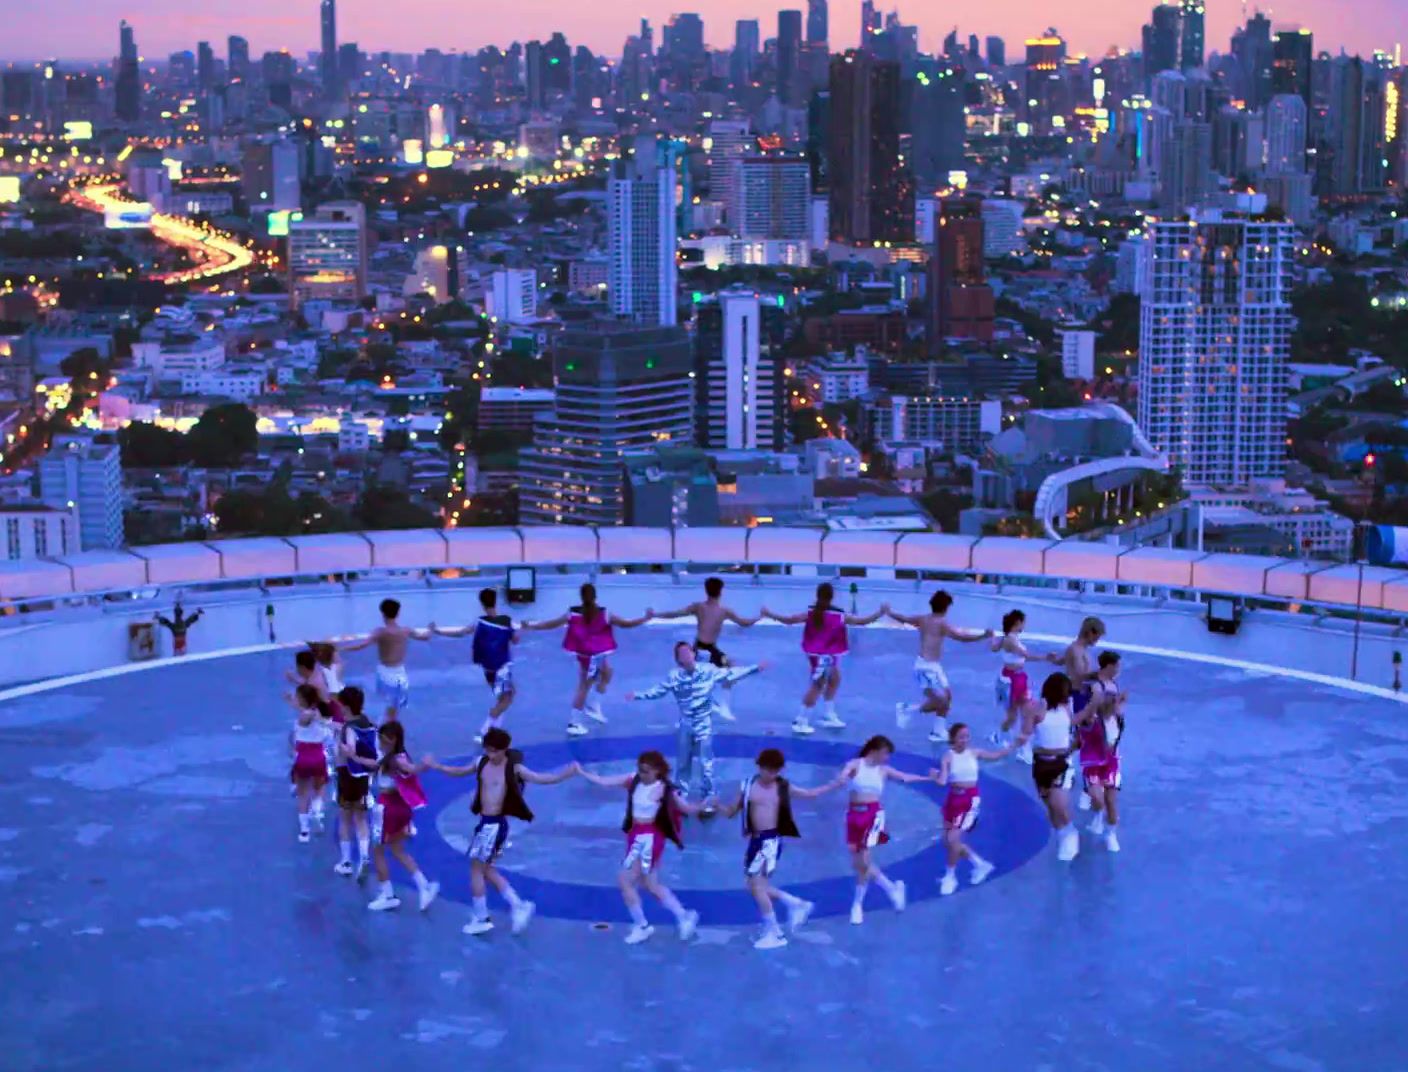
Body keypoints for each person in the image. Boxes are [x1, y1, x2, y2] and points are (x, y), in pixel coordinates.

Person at [425, 728, 577, 936]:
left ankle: (481, 917)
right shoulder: (481, 763)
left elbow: (542, 778)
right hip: (486, 824)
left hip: (494, 826)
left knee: (476, 870)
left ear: (505, 750)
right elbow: (459, 772)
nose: (491, 755)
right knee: (486, 870)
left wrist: (565, 774)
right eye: (488, 750)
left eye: (495, 751)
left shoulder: (514, 769)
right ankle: (517, 904)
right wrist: (438, 766)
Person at [578, 751, 706, 945]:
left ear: (657, 771)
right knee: (650, 885)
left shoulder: (665, 789)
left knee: (625, 880)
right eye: (640, 769)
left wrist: (707, 804)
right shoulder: (633, 780)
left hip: (650, 838)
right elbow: (604, 781)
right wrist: (581, 772)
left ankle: (642, 926)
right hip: (635, 834)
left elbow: (686, 808)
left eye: (646, 771)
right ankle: (684, 915)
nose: (642, 774)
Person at [716, 748, 834, 949]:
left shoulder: (782, 786)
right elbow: (730, 812)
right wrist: (717, 805)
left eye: (774, 771)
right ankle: (796, 904)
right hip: (755, 841)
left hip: (769, 843)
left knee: (757, 886)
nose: (770, 775)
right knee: (754, 886)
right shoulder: (747, 786)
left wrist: (835, 783)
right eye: (767, 770)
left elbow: (810, 794)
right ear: (759, 767)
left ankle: (775, 932)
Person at [626, 641, 767, 806]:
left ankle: (709, 796)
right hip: (685, 725)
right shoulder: (674, 676)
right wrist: (637, 695)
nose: (686, 655)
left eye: (688, 652)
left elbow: (731, 674)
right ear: (678, 659)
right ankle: (680, 795)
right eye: (682, 654)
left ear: (693, 654)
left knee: (705, 762)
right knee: (683, 761)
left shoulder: (708, 671)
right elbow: (657, 691)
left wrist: (755, 668)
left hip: (704, 725)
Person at [827, 735, 937, 924]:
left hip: (873, 816)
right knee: (858, 863)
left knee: (864, 860)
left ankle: (857, 905)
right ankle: (892, 888)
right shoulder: (855, 764)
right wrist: (842, 779)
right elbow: (844, 774)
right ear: (875, 750)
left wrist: (928, 778)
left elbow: (905, 777)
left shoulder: (883, 770)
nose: (887, 758)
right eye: (885, 753)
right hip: (853, 815)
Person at [523, 584, 651, 737]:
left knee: (608, 672)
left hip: (588, 654)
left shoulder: (574, 613)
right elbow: (627, 624)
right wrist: (645, 618)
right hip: (593, 656)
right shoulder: (604, 614)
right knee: (584, 686)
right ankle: (574, 722)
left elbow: (551, 624)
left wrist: (532, 626)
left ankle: (594, 705)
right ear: (595, 596)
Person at [762, 583, 887, 735]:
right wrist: (880, 613)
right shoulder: (838, 615)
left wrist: (770, 614)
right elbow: (863, 621)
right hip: (824, 656)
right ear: (832, 596)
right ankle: (801, 720)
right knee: (818, 685)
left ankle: (828, 714)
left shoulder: (812, 612)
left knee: (835, 679)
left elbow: (789, 620)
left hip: (823, 654)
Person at [886, 591, 994, 742]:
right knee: (942, 701)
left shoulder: (923, 619)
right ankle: (907, 709)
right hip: (925, 667)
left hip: (935, 666)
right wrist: (983, 636)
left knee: (947, 698)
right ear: (946, 607)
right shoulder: (941, 623)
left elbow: (904, 618)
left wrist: (889, 612)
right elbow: (961, 638)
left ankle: (937, 731)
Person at [653, 577, 761, 721]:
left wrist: (655, 615)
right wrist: (760, 616)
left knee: (723, 672)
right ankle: (717, 707)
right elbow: (744, 623)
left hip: (706, 648)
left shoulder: (700, 607)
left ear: (706, 591)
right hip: (702, 649)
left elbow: (675, 614)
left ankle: (720, 707)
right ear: (721, 592)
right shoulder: (722, 610)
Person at [359, 721, 439, 912]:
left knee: (377, 850)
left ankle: (387, 894)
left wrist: (423, 766)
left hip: (388, 808)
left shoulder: (395, 759)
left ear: (392, 739)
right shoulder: (395, 756)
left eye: (382, 739)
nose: (379, 742)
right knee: (397, 849)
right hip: (401, 807)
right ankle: (423, 885)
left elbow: (411, 769)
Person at [934, 722, 1014, 895]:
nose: (965, 740)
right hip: (953, 799)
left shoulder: (974, 753)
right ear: (953, 738)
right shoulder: (947, 756)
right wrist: (935, 776)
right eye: (961, 737)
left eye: (967, 736)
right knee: (949, 841)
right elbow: (942, 780)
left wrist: (1013, 746)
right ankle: (980, 864)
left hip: (969, 800)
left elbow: (995, 755)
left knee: (953, 837)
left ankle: (950, 877)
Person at [433, 588, 518, 742]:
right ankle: (484, 731)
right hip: (502, 667)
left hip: (488, 669)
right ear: (495, 601)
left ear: (482, 604)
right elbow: (516, 639)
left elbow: (460, 632)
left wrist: (438, 631)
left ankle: (494, 729)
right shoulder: (507, 621)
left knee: (503, 698)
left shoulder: (479, 622)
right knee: (507, 699)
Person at [335, 599, 433, 722]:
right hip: (399, 672)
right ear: (398, 614)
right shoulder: (406, 631)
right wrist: (431, 628)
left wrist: (342, 648)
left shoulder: (380, 632)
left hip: (385, 671)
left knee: (390, 705)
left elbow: (362, 645)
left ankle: (383, 726)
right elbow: (426, 637)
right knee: (394, 705)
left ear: (383, 614)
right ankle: (384, 727)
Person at [1019, 672, 1080, 862]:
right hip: (1041, 763)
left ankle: (1070, 835)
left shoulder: (1066, 708)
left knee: (1058, 804)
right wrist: (1027, 714)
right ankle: (1064, 835)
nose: (1068, 695)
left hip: (1061, 762)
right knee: (1051, 809)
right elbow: (1027, 732)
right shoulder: (1037, 709)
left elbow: (1073, 725)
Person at [1048, 617, 1106, 807]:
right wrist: (1101, 673)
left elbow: (1062, 661)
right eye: (1096, 636)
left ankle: (1066, 765)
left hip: (1082, 697)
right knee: (1084, 739)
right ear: (1089, 632)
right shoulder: (1075, 649)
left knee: (1083, 739)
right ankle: (1074, 775)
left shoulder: (1079, 650)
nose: (1096, 641)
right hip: (1076, 698)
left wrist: (1054, 659)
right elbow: (1080, 675)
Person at [1076, 651, 1126, 853]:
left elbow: (1117, 713)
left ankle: (1111, 834)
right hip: (1093, 756)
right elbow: (1093, 713)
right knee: (1098, 799)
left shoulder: (1112, 688)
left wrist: (1119, 705)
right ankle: (1097, 814)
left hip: (1111, 756)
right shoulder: (1096, 690)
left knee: (1111, 801)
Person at [991, 610, 1051, 756]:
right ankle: (1000, 736)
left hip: (1018, 678)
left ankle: (1023, 747)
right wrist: (1045, 657)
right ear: (1017, 623)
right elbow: (1027, 656)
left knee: (1026, 711)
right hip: (1011, 680)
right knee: (1013, 716)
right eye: (1023, 622)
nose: (1024, 625)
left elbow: (994, 647)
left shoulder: (1010, 638)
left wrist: (993, 637)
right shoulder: (1010, 639)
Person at [333, 686, 377, 879]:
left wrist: (344, 749)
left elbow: (349, 748)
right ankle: (365, 856)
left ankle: (346, 861)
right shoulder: (366, 722)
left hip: (346, 775)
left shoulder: (348, 728)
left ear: (347, 706)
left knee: (344, 818)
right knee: (360, 818)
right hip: (363, 777)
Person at [287, 684, 332, 843]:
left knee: (303, 794)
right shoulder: (324, 715)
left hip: (303, 758)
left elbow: (305, 716)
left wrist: (297, 705)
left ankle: (304, 831)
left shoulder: (305, 717)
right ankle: (317, 812)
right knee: (319, 789)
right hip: (319, 756)